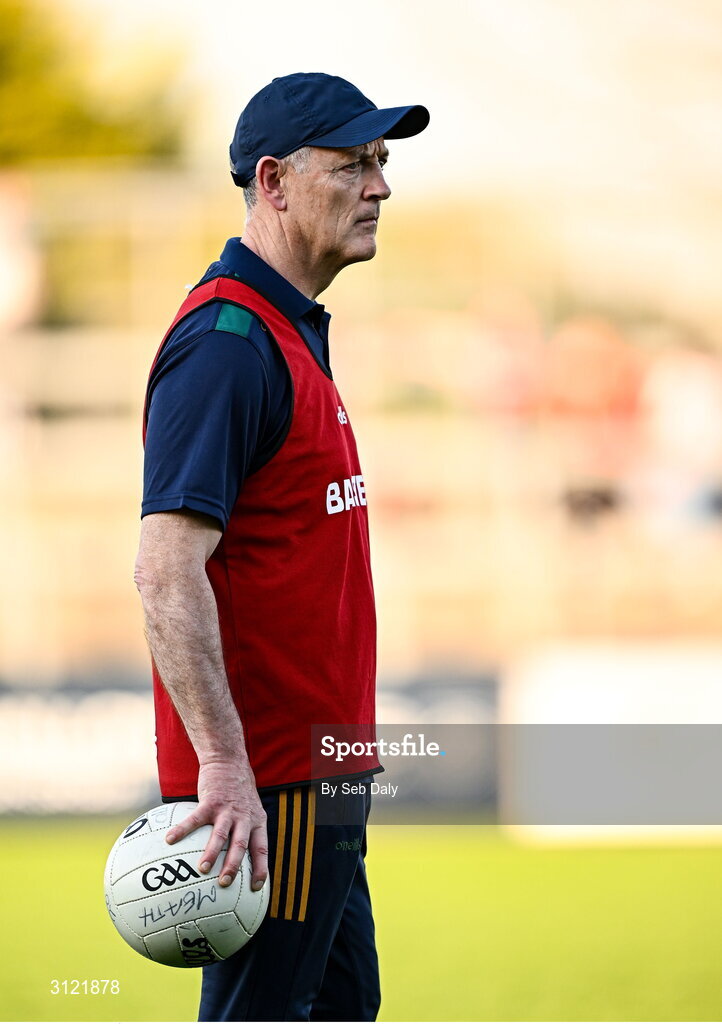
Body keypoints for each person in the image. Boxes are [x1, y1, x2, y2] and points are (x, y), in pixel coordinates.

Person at [134, 72, 429, 1022]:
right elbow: (164, 568)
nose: (380, 185)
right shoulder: (227, 343)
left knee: (342, 1009)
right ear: (273, 181)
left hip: (322, 770)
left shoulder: (287, 332)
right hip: (272, 786)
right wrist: (224, 766)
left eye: (382, 162)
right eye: (354, 164)